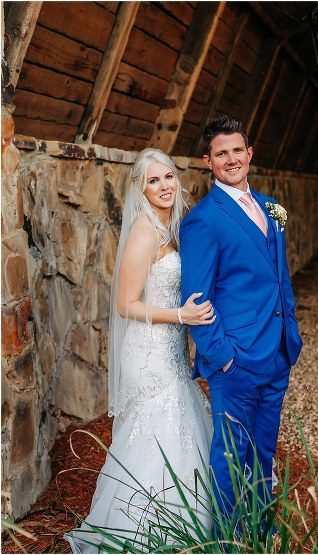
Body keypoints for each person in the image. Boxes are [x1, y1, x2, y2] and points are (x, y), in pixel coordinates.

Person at [66, 148, 216, 553]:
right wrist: (181, 317)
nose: (164, 186)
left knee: (183, 430)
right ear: (142, 189)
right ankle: (147, 534)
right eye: (154, 181)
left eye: (168, 177)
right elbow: (125, 305)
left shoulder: (174, 226)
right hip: (149, 355)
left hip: (170, 352)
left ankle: (186, 529)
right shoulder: (144, 231)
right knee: (160, 431)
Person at [180, 114, 302, 529]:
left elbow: (279, 274)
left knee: (264, 451)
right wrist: (223, 357)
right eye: (221, 154)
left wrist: (292, 335)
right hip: (236, 358)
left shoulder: (272, 208)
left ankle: (260, 530)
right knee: (231, 454)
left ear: (249, 154)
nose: (231, 159)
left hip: (278, 352)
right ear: (207, 161)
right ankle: (231, 541)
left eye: (237, 151)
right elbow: (196, 298)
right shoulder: (202, 220)